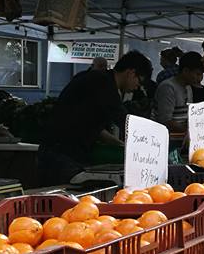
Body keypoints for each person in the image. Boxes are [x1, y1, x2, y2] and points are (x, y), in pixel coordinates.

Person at [38, 51, 152, 184]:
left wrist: (118, 143)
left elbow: (90, 124)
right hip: (61, 155)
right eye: (139, 81)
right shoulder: (104, 83)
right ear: (131, 73)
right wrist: (148, 143)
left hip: (60, 152)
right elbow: (125, 121)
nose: (138, 87)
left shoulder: (96, 79)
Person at [154, 51, 204, 133]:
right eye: (197, 74)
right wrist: (190, 132)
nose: (200, 79)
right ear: (186, 71)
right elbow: (165, 121)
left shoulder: (188, 87)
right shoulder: (168, 87)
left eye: (201, 75)